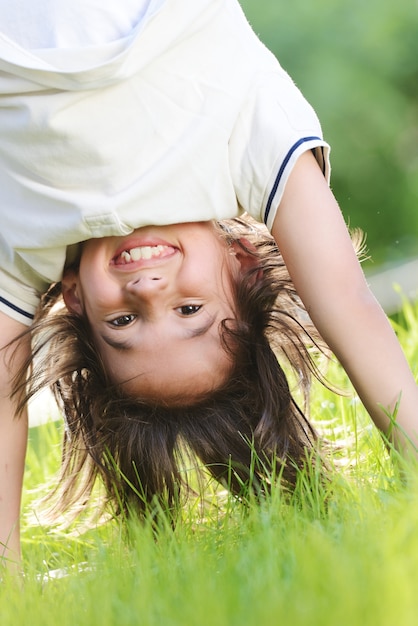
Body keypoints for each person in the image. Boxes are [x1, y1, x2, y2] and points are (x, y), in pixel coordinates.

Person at [1, 0, 418, 571]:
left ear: (75, 298)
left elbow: (4, 393)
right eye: (189, 309)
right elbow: (345, 297)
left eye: (122, 323)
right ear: (243, 261)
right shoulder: (246, 149)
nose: (147, 290)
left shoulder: (22, 241)